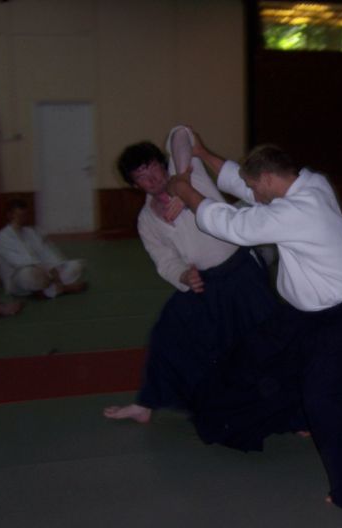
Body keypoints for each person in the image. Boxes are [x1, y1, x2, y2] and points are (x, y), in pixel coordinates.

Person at [167, 133, 342, 513]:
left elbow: (234, 225)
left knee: (323, 396)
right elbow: (246, 189)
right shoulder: (308, 183)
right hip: (305, 315)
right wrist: (201, 153)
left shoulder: (298, 211)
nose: (250, 192)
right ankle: (246, 419)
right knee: (254, 356)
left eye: (253, 186)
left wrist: (185, 190)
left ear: (268, 179)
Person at [103, 126, 278, 423]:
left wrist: (183, 184)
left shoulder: (190, 174)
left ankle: (297, 412)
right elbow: (164, 260)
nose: (151, 178)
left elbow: (181, 133)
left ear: (163, 163)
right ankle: (146, 404)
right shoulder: (146, 219)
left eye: (152, 167)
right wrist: (183, 276)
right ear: (134, 185)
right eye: (141, 176)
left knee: (267, 338)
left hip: (241, 271)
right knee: (168, 332)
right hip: (203, 283)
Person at [0, 200, 86, 298]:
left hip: (44, 272)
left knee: (76, 265)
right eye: (19, 215)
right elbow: (20, 261)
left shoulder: (31, 232)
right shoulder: (2, 236)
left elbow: (45, 253)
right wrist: (48, 273)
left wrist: (54, 271)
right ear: (10, 215)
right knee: (28, 275)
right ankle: (62, 288)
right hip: (18, 278)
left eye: (25, 215)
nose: (23, 218)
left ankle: (49, 290)